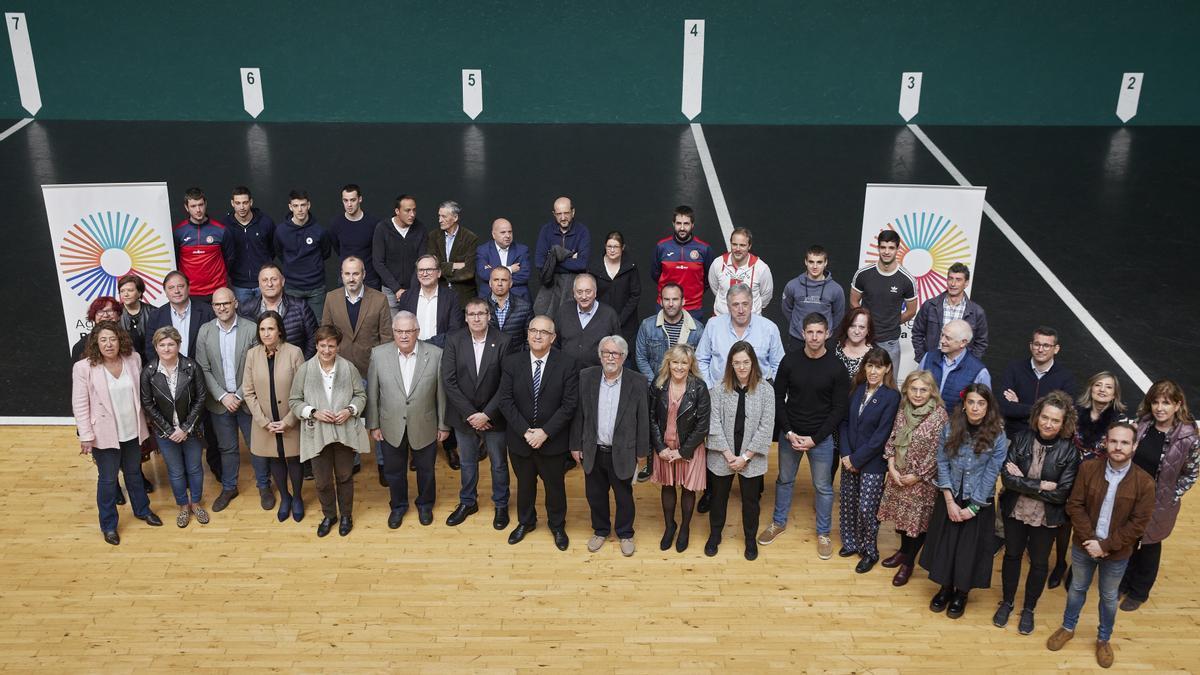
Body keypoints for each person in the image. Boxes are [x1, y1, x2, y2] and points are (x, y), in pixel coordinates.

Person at [1046, 422, 1154, 669]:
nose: (1118, 447)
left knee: (1108, 597)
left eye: (1125, 442)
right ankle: (1067, 627)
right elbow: (1075, 505)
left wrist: (1105, 546)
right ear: (1105, 442)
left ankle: (1104, 639)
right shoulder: (1088, 469)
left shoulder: (1145, 482)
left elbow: (1138, 525)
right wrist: (1091, 541)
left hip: (1117, 553)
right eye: (1114, 441)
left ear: (1134, 446)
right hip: (1084, 546)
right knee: (1077, 589)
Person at [759, 313, 849, 558]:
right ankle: (778, 523)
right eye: (810, 332)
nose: (814, 337)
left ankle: (823, 533)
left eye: (819, 332)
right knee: (784, 481)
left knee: (823, 487)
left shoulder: (836, 367)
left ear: (827, 334)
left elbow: (839, 408)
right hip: (791, 435)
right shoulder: (790, 361)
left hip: (820, 439)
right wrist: (788, 432)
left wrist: (816, 438)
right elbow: (777, 397)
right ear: (802, 333)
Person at [995, 391, 1080, 635]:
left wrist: (1025, 483)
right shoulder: (1021, 438)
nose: (1048, 424)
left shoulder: (1070, 452)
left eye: (1055, 420)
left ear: (1064, 423)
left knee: (1040, 563)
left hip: (1047, 517)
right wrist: (1041, 485)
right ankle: (1007, 602)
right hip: (1015, 510)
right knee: (1012, 556)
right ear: (1037, 416)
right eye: (1045, 417)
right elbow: (1007, 480)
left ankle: (1029, 609)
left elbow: (1060, 495)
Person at [920, 384, 1008, 620]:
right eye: (971, 402)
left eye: (981, 403)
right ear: (964, 404)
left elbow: (992, 473)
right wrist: (949, 500)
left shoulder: (998, 435)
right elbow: (942, 462)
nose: (975, 408)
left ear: (988, 406)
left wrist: (973, 507)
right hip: (952, 494)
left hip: (977, 499)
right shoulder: (950, 427)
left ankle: (961, 592)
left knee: (969, 550)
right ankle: (945, 587)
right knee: (948, 545)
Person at [71, 322, 162, 545]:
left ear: (120, 339)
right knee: (108, 480)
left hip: (131, 428)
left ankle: (142, 510)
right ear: (95, 343)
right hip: (104, 434)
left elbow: (142, 395)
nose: (108, 344)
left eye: (112, 339)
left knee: (134, 473)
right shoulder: (84, 367)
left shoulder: (134, 359)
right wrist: (85, 435)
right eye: (103, 340)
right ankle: (109, 525)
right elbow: (80, 404)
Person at [498, 315, 579, 550]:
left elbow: (569, 404)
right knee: (524, 484)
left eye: (543, 332)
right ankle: (526, 522)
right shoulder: (512, 362)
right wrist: (526, 431)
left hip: (552, 441)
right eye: (533, 330)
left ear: (553, 338)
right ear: (527, 333)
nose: (537, 335)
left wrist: (544, 432)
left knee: (555, 487)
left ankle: (557, 525)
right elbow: (505, 401)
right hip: (520, 440)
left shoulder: (567, 363)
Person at [1119, 380, 1199, 611]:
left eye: (1166, 402)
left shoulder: (1189, 438)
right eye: (1155, 402)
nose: (1160, 408)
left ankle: (1139, 591)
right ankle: (1124, 582)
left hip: (1159, 503)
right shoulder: (1142, 426)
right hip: (1132, 496)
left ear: (1178, 405)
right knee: (1129, 540)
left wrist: (1171, 496)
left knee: (1150, 546)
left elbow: (1191, 474)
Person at [367, 312, 450, 529]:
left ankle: (425, 505)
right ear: (393, 332)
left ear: (417, 332)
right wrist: (373, 424)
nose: (404, 336)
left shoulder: (435, 354)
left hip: (425, 424)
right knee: (394, 472)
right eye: (399, 331)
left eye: (409, 331)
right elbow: (373, 393)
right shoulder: (378, 354)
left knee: (426, 470)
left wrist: (443, 425)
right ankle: (398, 506)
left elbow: (441, 393)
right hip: (389, 426)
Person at [1047, 372, 1127, 588]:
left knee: (1086, 523)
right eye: (1098, 385)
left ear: (1114, 394)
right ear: (1090, 388)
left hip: (1098, 480)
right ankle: (1060, 563)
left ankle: (1077, 565)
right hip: (1070, 475)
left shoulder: (1119, 420)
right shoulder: (1075, 413)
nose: (1102, 389)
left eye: (1108, 387)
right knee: (1063, 524)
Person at [570, 336, 649, 557]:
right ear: (600, 355)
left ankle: (625, 533)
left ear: (624, 357)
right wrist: (576, 445)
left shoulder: (638, 382)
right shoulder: (587, 377)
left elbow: (643, 420)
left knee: (624, 496)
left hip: (623, 451)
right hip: (593, 449)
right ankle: (601, 530)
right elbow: (579, 415)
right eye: (606, 352)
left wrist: (642, 454)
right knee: (595, 495)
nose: (610, 357)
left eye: (615, 353)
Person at [289, 325, 370, 538]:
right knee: (322, 480)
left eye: (331, 346)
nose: (326, 350)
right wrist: (313, 412)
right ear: (316, 345)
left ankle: (345, 515)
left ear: (338, 347)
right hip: (317, 433)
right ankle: (329, 515)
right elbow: (294, 401)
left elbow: (361, 396)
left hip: (344, 432)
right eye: (322, 345)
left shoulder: (349, 368)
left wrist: (349, 410)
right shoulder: (305, 370)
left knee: (344, 476)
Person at [196, 288, 270, 511]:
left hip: (246, 400)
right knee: (227, 448)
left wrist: (238, 395)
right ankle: (229, 487)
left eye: (226, 303)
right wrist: (222, 396)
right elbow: (203, 368)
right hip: (219, 403)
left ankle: (264, 486)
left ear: (235, 303)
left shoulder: (250, 328)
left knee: (256, 446)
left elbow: (256, 366)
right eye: (217, 304)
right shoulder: (205, 331)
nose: (222, 308)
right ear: (213, 307)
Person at [442, 298, 513, 529]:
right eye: (471, 314)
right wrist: (472, 414)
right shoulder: (454, 340)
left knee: (499, 463)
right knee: (467, 462)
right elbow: (449, 381)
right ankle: (468, 502)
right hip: (465, 416)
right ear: (465, 317)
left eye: (481, 314)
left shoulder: (503, 341)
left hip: (495, 417)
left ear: (489, 316)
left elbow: (506, 383)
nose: (476, 318)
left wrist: (487, 415)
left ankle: (501, 504)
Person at [320, 256, 393, 481]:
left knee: (378, 418)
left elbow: (387, 337)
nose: (351, 278)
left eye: (356, 273)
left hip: (372, 369)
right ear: (341, 275)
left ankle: (383, 464)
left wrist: (382, 369)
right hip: (342, 371)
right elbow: (325, 335)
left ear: (363, 274)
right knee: (347, 418)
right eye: (347, 274)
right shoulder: (331, 298)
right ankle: (353, 460)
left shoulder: (379, 299)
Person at [877, 370, 950, 586]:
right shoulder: (903, 410)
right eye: (914, 389)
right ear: (906, 390)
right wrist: (891, 465)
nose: (918, 394)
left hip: (921, 483)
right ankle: (902, 551)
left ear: (932, 392)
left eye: (923, 390)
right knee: (901, 521)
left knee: (916, 526)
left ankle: (908, 563)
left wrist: (917, 476)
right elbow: (892, 438)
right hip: (898, 475)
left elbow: (940, 453)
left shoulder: (939, 416)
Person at [706, 341, 774, 561]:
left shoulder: (766, 390)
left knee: (751, 501)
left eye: (746, 362)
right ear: (731, 365)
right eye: (737, 363)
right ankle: (715, 535)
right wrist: (728, 455)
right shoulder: (718, 389)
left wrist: (745, 457)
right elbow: (713, 423)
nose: (742, 367)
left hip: (750, 457)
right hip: (722, 455)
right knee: (718, 498)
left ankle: (750, 539)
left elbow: (766, 426)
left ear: (753, 362)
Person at [838, 347, 901, 573]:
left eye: (879, 367)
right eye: (870, 365)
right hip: (849, 457)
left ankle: (869, 551)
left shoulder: (892, 396)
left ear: (887, 369)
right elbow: (843, 423)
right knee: (848, 503)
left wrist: (856, 459)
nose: (874, 371)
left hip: (872, 462)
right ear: (864, 367)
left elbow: (880, 436)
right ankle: (851, 543)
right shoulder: (856, 390)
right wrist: (846, 455)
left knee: (866, 508)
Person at [242, 311, 306, 523]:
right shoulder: (252, 354)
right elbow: (248, 391)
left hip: (291, 419)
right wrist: (263, 422)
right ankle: (285, 498)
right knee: (275, 460)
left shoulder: (294, 352)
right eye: (262, 329)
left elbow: (303, 389)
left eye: (270, 328)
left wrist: (289, 421)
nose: (266, 333)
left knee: (294, 460)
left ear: (279, 330)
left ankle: (297, 497)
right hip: (266, 423)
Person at [141, 327, 208, 528]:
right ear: (156, 347)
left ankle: (195, 503)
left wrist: (185, 428)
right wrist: (170, 431)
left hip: (191, 430)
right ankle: (183, 507)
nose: (167, 348)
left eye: (171, 344)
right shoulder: (149, 372)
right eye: (162, 344)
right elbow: (148, 404)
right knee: (176, 471)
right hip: (166, 433)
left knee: (195, 468)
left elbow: (201, 398)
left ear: (178, 345)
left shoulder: (191, 367)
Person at [649, 344, 710, 553]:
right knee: (667, 486)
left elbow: (703, 425)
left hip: (689, 448)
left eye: (684, 362)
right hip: (665, 447)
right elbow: (651, 418)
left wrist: (683, 451)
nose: (679, 367)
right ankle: (669, 527)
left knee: (687, 489)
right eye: (675, 362)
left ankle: (684, 529)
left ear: (690, 364)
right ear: (668, 363)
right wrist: (660, 447)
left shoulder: (700, 387)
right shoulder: (658, 385)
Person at [850, 229, 917, 369]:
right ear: (878, 248)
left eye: (891, 248)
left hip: (890, 342)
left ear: (897, 249)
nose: (886, 252)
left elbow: (911, 311)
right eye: (883, 247)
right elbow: (853, 301)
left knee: (888, 388)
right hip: (864, 339)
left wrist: (891, 322)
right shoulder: (863, 274)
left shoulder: (907, 279)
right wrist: (863, 324)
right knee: (859, 384)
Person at [695, 284, 784, 388]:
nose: (741, 310)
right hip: (720, 394)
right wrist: (709, 388)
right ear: (728, 307)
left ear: (751, 304)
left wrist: (768, 392)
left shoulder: (769, 328)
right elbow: (701, 360)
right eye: (735, 305)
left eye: (745, 304)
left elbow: (779, 365)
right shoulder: (713, 325)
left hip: (758, 395)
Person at [997, 326, 1077, 440]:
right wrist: (1046, 411)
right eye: (1037, 344)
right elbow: (1005, 408)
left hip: (1048, 440)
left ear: (1056, 349)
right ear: (1031, 346)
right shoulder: (1014, 369)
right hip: (1013, 437)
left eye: (1046, 346)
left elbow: (1065, 413)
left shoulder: (1066, 377)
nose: (1040, 349)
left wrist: (1019, 406)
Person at [911, 262, 988, 365]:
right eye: (950, 278)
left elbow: (981, 342)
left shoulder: (977, 312)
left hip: (960, 367)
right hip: (932, 363)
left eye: (958, 280)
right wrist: (923, 359)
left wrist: (969, 365)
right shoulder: (930, 306)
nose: (953, 284)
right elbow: (917, 333)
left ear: (966, 283)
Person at [274, 189, 332, 320]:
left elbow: (325, 253)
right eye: (296, 206)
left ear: (308, 205)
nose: (300, 209)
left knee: (317, 328)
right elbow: (279, 253)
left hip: (316, 288)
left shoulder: (319, 231)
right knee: (293, 328)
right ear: (290, 207)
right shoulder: (281, 231)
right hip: (292, 288)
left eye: (303, 205)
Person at [238, 263, 317, 359]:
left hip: (295, 368)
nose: (269, 284)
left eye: (274, 279)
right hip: (260, 369)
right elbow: (241, 345)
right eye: (265, 280)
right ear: (259, 283)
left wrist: (301, 364)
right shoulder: (246, 309)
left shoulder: (300, 307)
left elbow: (314, 339)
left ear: (283, 281)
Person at [652, 205, 713, 321]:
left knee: (691, 340)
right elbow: (655, 274)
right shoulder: (661, 247)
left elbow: (709, 279)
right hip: (665, 307)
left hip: (693, 309)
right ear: (673, 224)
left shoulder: (704, 249)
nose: (682, 228)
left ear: (692, 225)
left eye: (686, 224)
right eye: (679, 223)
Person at [533, 196, 590, 317]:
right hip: (550, 285)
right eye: (559, 214)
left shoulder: (582, 231)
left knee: (569, 319)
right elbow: (539, 263)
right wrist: (570, 259)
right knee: (543, 317)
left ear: (573, 212)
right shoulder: (546, 230)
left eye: (566, 213)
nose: (563, 218)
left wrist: (552, 260)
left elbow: (582, 264)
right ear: (554, 214)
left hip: (572, 287)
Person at [917, 319, 991, 414]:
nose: (942, 341)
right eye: (942, 335)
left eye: (948, 338)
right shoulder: (928, 357)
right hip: (923, 421)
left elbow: (984, 407)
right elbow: (915, 386)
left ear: (963, 343)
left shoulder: (979, 372)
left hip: (956, 426)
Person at [373, 194, 428, 316]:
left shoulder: (420, 229)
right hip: (389, 290)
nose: (412, 214)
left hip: (414, 289)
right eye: (407, 210)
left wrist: (411, 290)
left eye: (414, 210)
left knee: (414, 328)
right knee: (393, 329)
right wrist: (396, 289)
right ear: (397, 211)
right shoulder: (383, 228)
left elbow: (422, 262)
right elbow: (378, 262)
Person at [781, 244, 845, 351]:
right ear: (805, 262)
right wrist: (798, 325)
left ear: (825, 263)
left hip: (824, 341)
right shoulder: (792, 285)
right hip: (798, 339)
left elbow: (838, 314)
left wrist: (824, 331)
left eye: (819, 262)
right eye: (811, 262)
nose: (815, 266)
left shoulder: (836, 289)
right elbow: (786, 309)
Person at [142, 271, 215, 363]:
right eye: (171, 288)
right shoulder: (156, 316)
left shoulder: (207, 312)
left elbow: (214, 345)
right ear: (165, 291)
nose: (176, 291)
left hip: (202, 370)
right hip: (168, 372)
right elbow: (151, 349)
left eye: (181, 286)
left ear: (188, 288)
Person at [397, 254, 465, 350]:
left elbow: (455, 331)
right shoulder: (407, 297)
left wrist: (428, 345)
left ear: (439, 273)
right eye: (421, 270)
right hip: (412, 352)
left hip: (441, 352)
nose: (424, 274)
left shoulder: (451, 297)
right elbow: (402, 328)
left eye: (429, 269)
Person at [223, 186, 276, 307]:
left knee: (269, 319)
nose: (241, 207)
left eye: (245, 203)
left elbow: (274, 248)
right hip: (239, 285)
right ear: (232, 203)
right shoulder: (225, 225)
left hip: (264, 283)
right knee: (245, 322)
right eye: (238, 203)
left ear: (251, 202)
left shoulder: (265, 222)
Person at [172, 187, 228, 302]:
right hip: (190, 292)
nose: (198, 210)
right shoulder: (178, 232)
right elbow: (175, 261)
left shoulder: (220, 230)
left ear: (205, 204)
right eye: (193, 206)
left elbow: (230, 259)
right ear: (186, 207)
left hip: (217, 291)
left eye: (200, 205)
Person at [555, 273, 620, 369]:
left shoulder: (609, 314)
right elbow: (555, 343)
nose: (584, 296)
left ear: (595, 292)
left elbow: (617, 349)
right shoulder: (564, 311)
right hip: (566, 373)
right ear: (574, 293)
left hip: (596, 375)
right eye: (579, 292)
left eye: (588, 291)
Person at [590, 230, 642, 347]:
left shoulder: (630, 266)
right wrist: (602, 317)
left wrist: (620, 319)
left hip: (627, 323)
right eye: (609, 246)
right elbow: (591, 294)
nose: (612, 250)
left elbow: (635, 295)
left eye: (616, 247)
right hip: (601, 321)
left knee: (624, 356)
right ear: (605, 246)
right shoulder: (594, 267)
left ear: (622, 247)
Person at [428, 200, 480, 310]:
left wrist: (441, 270)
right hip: (439, 295)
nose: (440, 220)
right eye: (439, 216)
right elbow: (431, 267)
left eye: (444, 216)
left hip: (463, 298)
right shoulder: (433, 236)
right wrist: (454, 266)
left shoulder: (470, 238)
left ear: (455, 218)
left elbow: (469, 272)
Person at [709, 227, 772, 316]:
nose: (738, 249)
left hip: (751, 322)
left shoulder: (761, 268)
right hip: (721, 320)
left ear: (749, 246)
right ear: (730, 243)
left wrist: (752, 309)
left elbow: (766, 296)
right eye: (734, 244)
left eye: (742, 245)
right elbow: (715, 288)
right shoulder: (718, 263)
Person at [328, 185, 379, 290]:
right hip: (346, 278)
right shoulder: (336, 223)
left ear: (360, 199)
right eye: (345, 200)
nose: (349, 204)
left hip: (369, 278)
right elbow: (337, 247)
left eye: (353, 200)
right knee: (344, 307)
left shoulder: (373, 223)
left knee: (372, 306)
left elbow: (377, 250)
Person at [476, 217, 531, 301]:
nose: (508, 236)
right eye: (503, 232)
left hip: (517, 296)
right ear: (493, 235)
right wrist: (509, 269)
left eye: (510, 232)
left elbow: (524, 275)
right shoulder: (483, 250)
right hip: (489, 297)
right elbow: (483, 273)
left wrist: (494, 275)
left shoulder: (522, 250)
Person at [486, 265, 532, 352]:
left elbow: (530, 338)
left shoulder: (525, 306)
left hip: (515, 359)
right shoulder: (480, 306)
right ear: (490, 283)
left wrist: (521, 357)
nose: (499, 284)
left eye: (504, 280)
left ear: (510, 283)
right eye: (496, 280)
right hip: (488, 360)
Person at [72, 296, 122, 362]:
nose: (105, 315)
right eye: (100, 311)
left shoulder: (130, 339)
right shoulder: (81, 346)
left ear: (118, 315)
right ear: (93, 316)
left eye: (110, 311)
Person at [831, 307, 875, 381]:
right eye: (852, 326)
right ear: (846, 327)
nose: (856, 331)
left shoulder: (875, 354)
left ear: (868, 330)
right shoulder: (831, 348)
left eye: (862, 327)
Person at [117, 274, 153, 358]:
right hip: (125, 359)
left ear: (139, 292)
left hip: (152, 359)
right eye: (122, 291)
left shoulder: (153, 312)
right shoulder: (116, 312)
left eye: (130, 290)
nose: (125, 294)